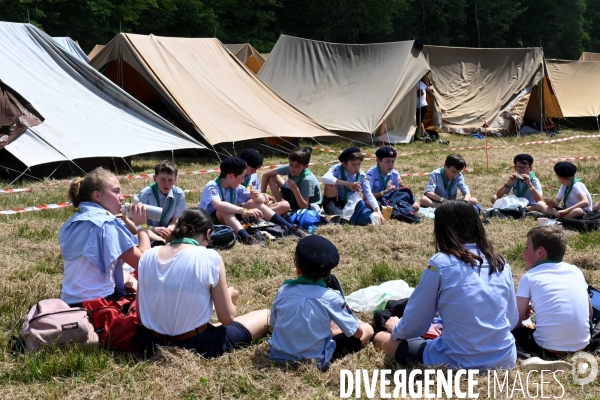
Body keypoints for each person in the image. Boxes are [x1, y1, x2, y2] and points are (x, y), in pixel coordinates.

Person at [373, 201, 519, 370]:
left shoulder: (440, 263)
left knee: (380, 338)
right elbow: (512, 319)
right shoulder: (500, 262)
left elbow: (415, 323)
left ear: (443, 230)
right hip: (504, 359)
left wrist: (396, 328)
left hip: (456, 360)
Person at [137, 208, 270, 357]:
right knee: (266, 314)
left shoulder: (147, 255)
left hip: (151, 343)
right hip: (196, 346)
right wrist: (228, 297)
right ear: (208, 233)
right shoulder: (209, 257)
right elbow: (227, 318)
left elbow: (141, 315)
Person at [268, 236, 374, 369]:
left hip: (278, 355)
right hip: (315, 362)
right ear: (327, 274)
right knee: (368, 330)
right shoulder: (331, 297)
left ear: (298, 268)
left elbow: (273, 323)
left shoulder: (283, 290)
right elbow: (357, 333)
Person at [59, 167, 151, 306]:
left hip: (68, 302)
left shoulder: (72, 222)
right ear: (97, 195)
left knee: (128, 277)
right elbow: (145, 263)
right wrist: (142, 226)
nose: (122, 197)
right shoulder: (107, 224)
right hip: (96, 306)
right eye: (116, 191)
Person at [512, 226, 592, 371]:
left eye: (526, 248)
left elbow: (515, 322)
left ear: (540, 252)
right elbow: (590, 313)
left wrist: (523, 316)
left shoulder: (529, 277)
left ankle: (526, 357)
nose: (523, 253)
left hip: (546, 348)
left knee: (509, 332)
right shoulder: (576, 271)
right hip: (582, 346)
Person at [198, 157, 308, 246]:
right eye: (241, 177)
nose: (242, 181)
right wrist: (244, 210)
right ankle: (246, 237)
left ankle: (291, 228)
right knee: (224, 210)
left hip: (230, 218)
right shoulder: (212, 186)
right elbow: (218, 204)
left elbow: (260, 201)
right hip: (211, 222)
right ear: (231, 176)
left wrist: (257, 196)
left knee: (253, 203)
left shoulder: (236, 187)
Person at [321, 146, 385, 224]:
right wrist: (347, 184)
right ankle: (332, 210)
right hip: (336, 201)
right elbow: (325, 178)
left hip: (350, 204)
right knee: (330, 184)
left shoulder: (361, 175)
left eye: (359, 164)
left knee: (365, 215)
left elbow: (368, 194)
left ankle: (344, 217)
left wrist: (378, 211)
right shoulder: (337, 168)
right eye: (353, 164)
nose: (357, 167)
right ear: (344, 164)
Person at [137, 160, 186, 244]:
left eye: (170, 180)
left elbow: (174, 220)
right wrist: (153, 229)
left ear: (175, 180)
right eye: (163, 179)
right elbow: (136, 222)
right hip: (148, 231)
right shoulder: (145, 195)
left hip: (168, 231)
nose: (166, 183)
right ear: (155, 178)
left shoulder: (179, 194)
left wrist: (169, 230)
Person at [261, 147, 322, 212]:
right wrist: (263, 196)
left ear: (305, 166)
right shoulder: (290, 168)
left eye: (297, 166)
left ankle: (283, 208)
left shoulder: (307, 180)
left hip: (308, 206)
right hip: (294, 194)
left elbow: (304, 206)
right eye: (291, 164)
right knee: (272, 178)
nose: (292, 168)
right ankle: (282, 206)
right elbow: (266, 175)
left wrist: (295, 190)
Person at [366, 146, 419, 212]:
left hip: (391, 200)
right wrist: (384, 192)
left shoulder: (395, 174)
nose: (391, 165)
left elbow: (398, 194)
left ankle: (389, 211)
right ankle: (390, 211)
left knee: (416, 206)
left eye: (393, 161)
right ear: (378, 161)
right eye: (387, 162)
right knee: (367, 202)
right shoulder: (371, 174)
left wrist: (401, 188)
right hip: (376, 200)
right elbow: (366, 196)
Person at [240, 148, 290, 215]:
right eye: (252, 169)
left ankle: (261, 216)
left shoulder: (253, 176)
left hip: (257, 205)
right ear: (243, 164)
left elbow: (257, 192)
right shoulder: (235, 178)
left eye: (256, 169)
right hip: (244, 209)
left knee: (284, 205)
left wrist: (264, 196)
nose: (254, 172)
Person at [416, 76, 433, 141]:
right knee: (419, 121)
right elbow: (429, 89)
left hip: (422, 105)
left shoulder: (418, 84)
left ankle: (422, 135)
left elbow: (421, 92)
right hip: (421, 105)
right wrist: (431, 85)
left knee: (419, 121)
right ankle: (424, 133)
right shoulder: (421, 83)